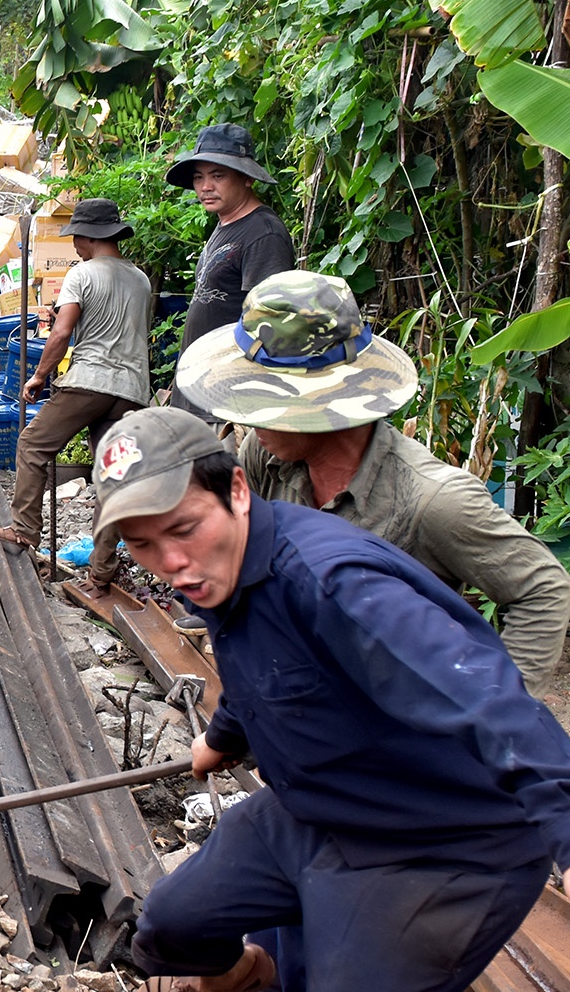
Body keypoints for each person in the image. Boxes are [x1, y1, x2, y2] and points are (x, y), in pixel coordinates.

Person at [92, 406, 570, 992]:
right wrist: (223, 736)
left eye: (183, 530)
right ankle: (253, 969)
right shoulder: (225, 575)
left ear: (237, 491)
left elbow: (492, 701)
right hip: (322, 808)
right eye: (145, 545)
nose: (172, 562)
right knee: (171, 923)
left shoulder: (338, 583)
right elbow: (268, 667)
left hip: (443, 848)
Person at [177, 270, 570, 687]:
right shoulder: (266, 454)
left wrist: (500, 713)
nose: (246, 417)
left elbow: (541, 591)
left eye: (266, 398)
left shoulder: (432, 500)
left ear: (324, 400)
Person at [0, 199, 153, 596]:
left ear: (90, 237)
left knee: (33, 445)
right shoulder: (140, 279)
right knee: (113, 472)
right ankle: (101, 573)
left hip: (91, 380)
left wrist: (39, 376)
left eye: (76, 236)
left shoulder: (82, 274)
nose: (74, 243)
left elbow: (60, 333)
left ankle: (23, 530)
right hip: (132, 389)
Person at [168, 123, 294, 369]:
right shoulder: (225, 225)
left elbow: (269, 324)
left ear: (247, 178)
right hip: (200, 378)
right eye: (198, 177)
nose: (205, 187)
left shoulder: (263, 233)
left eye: (218, 176)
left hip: (230, 386)